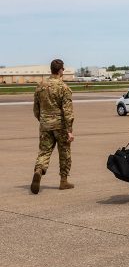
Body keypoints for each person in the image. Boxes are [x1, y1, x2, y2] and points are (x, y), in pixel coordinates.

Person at [31, 59, 75, 194]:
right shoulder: (64, 88)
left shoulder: (40, 86)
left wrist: (43, 120)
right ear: (60, 70)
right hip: (60, 126)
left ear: (51, 69)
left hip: (45, 125)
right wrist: (69, 131)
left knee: (44, 151)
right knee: (64, 153)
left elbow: (36, 109)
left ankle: (39, 170)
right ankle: (63, 181)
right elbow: (67, 112)